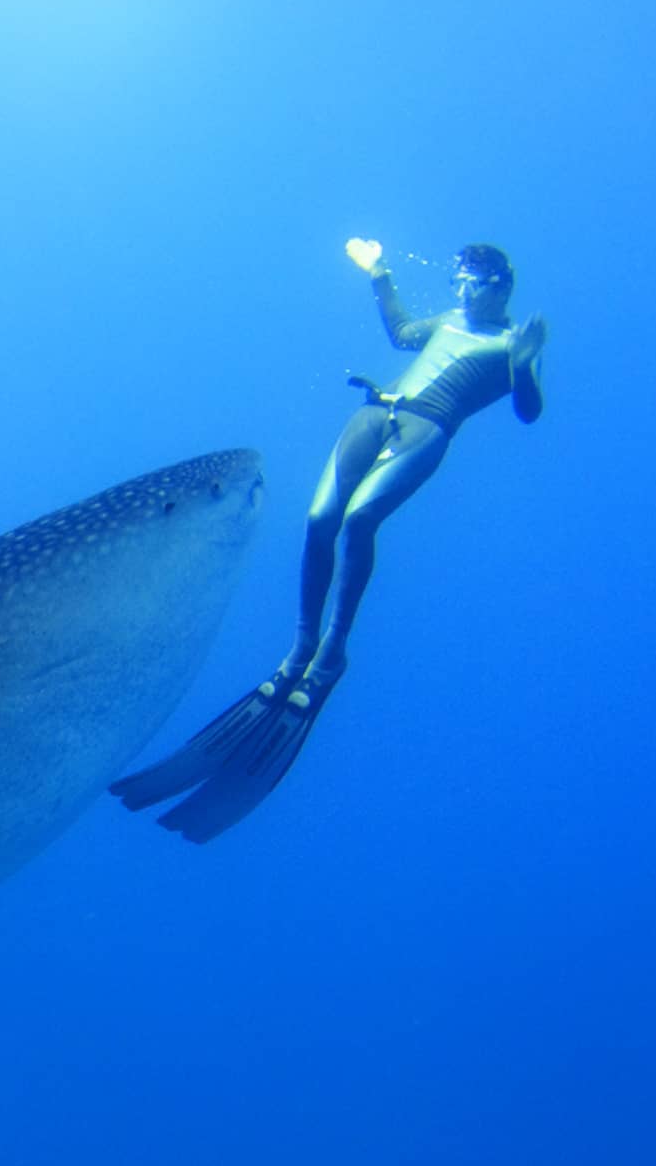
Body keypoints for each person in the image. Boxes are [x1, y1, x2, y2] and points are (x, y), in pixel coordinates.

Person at [112, 238, 548, 842]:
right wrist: (380, 273)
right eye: (457, 282)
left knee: (360, 521)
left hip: (429, 429)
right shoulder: (447, 321)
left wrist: (525, 364)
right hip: (376, 412)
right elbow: (401, 335)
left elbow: (529, 412)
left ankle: (332, 652)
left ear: (501, 285)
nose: (461, 292)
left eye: (472, 283)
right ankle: (300, 649)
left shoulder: (509, 343)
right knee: (320, 521)